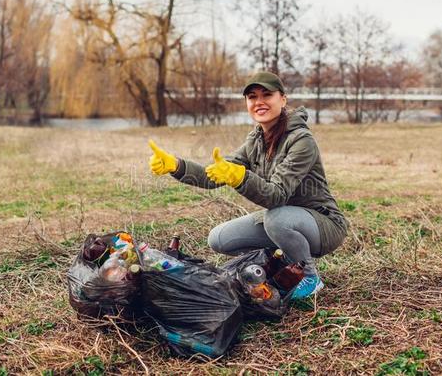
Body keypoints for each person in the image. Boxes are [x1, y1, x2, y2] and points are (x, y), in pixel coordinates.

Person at [148, 71, 347, 299]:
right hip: (283, 219)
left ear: (283, 99)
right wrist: (176, 165)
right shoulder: (256, 141)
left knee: (275, 218)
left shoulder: (301, 141)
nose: (259, 102)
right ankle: (280, 264)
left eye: (267, 95)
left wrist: (241, 178)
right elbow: (212, 175)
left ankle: (309, 278)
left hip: (323, 224)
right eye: (252, 97)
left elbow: (276, 196)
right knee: (219, 238)